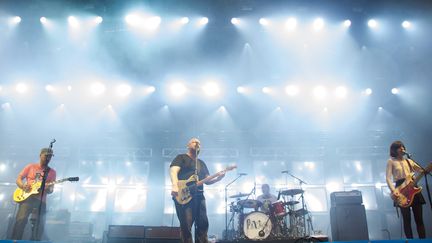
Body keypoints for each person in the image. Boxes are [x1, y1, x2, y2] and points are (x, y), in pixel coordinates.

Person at [170, 138, 225, 243]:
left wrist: (218, 178)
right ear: (188, 145)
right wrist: (174, 185)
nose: (197, 143)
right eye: (194, 142)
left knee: (203, 224)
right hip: (185, 195)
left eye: (199, 143)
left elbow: (207, 180)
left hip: (199, 196)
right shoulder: (181, 158)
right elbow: (173, 171)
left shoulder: (201, 163)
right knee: (186, 226)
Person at [11, 148, 57, 240]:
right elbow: (19, 179)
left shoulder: (52, 172)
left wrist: (48, 189)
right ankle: (15, 240)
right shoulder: (30, 167)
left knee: (39, 224)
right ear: (40, 155)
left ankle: (35, 241)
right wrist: (23, 186)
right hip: (27, 198)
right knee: (21, 220)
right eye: (46, 156)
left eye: (50, 157)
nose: (48, 158)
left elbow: (51, 190)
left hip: (41, 201)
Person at [386, 141, 426, 239]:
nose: (402, 149)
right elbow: (388, 178)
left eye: (403, 147)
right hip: (400, 188)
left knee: (419, 218)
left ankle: (423, 240)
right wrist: (393, 190)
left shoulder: (409, 161)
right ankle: (410, 240)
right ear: (394, 150)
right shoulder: (391, 161)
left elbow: (422, 171)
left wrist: (426, 170)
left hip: (413, 186)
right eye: (400, 147)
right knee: (407, 219)